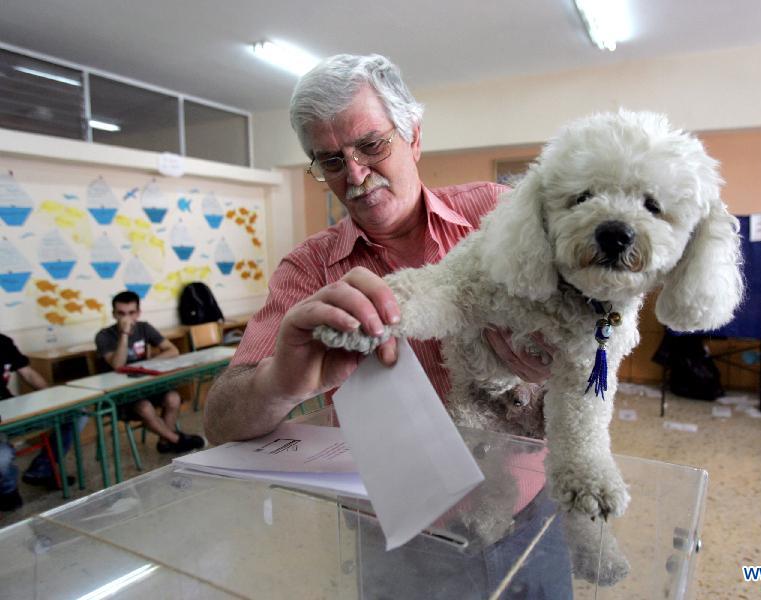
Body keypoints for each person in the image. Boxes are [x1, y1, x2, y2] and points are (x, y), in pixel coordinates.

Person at [204, 54, 571, 597]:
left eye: (371, 146)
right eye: (330, 161)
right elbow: (219, 424)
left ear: (413, 136)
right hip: (401, 540)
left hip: (530, 507)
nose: (354, 174)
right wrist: (281, 379)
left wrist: (552, 359)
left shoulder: (497, 215)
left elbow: (597, 328)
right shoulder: (308, 272)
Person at [96, 291, 203, 454]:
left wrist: (146, 364)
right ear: (113, 314)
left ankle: (164, 442)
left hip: (145, 385)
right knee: (145, 408)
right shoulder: (104, 336)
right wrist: (124, 334)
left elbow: (172, 350)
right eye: (121, 314)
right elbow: (117, 364)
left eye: (131, 313)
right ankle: (176, 440)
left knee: (173, 398)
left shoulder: (144, 328)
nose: (127, 318)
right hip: (121, 394)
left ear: (138, 313)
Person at [1, 333, 84, 511]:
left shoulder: (3, 342)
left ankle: (42, 468)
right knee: (2, 455)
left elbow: (28, 374)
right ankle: (7, 490)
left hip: (11, 410)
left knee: (77, 414)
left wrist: (53, 398)